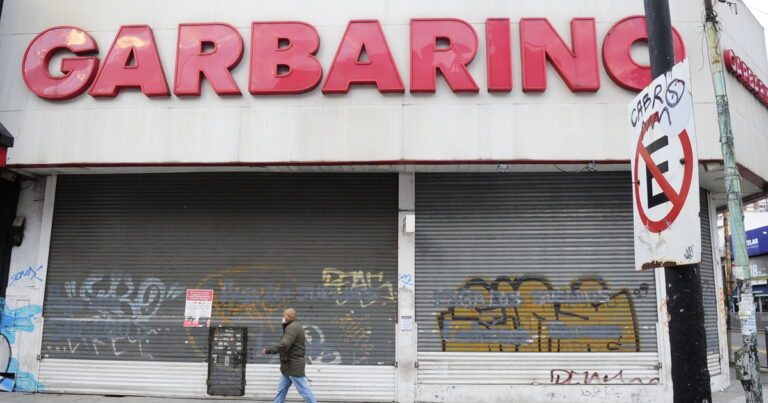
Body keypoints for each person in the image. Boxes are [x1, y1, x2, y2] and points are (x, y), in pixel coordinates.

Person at [261, 308, 317, 403]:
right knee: (281, 390)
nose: (283, 317)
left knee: (303, 390)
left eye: (284, 315)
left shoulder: (292, 328)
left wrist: (268, 350)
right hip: (288, 365)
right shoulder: (293, 326)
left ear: (288, 316)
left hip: (293, 365)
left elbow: (284, 345)